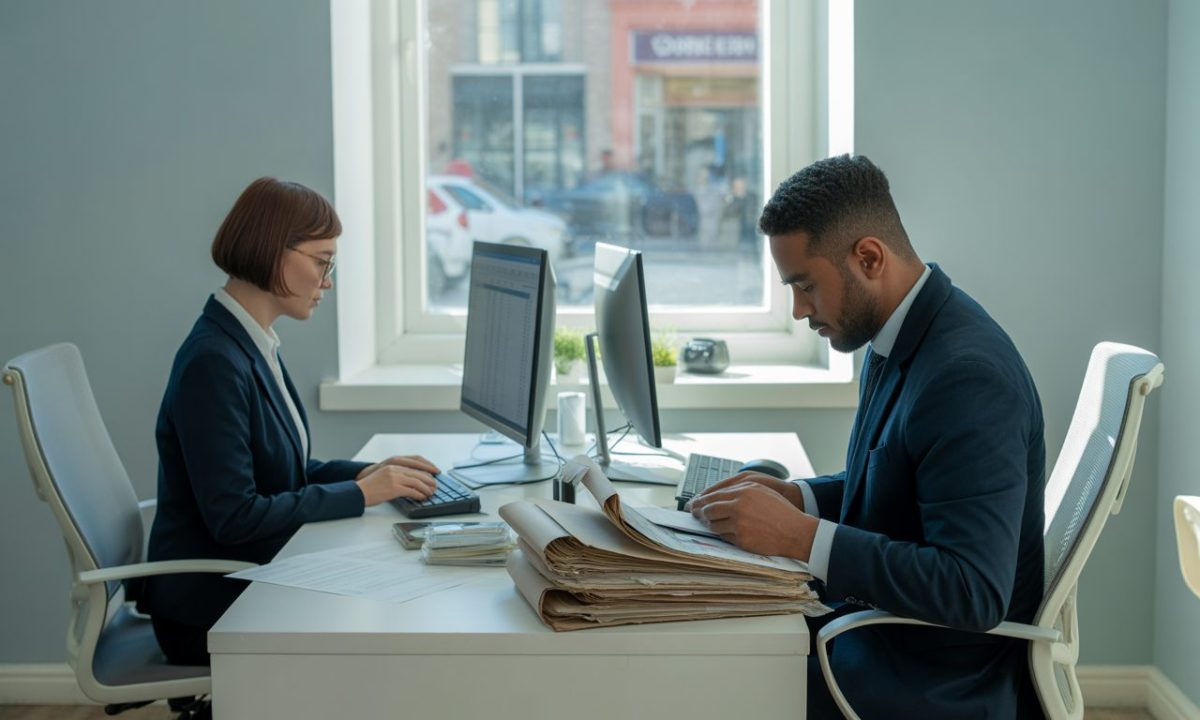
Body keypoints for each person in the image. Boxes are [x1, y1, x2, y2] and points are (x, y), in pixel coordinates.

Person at [689, 155, 1046, 718]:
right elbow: (898, 479)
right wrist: (798, 498)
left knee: (697, 671)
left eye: (805, 285)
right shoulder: (900, 333)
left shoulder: (967, 377)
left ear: (869, 258)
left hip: (930, 677)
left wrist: (801, 538)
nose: (800, 310)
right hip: (880, 636)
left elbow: (971, 589)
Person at [140, 178, 441, 667]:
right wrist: (364, 494)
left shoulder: (248, 340)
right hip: (208, 609)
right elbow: (236, 515)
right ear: (273, 251)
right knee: (390, 627)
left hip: (245, 578)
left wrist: (364, 474)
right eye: (322, 261)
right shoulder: (214, 362)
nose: (328, 280)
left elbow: (282, 470)